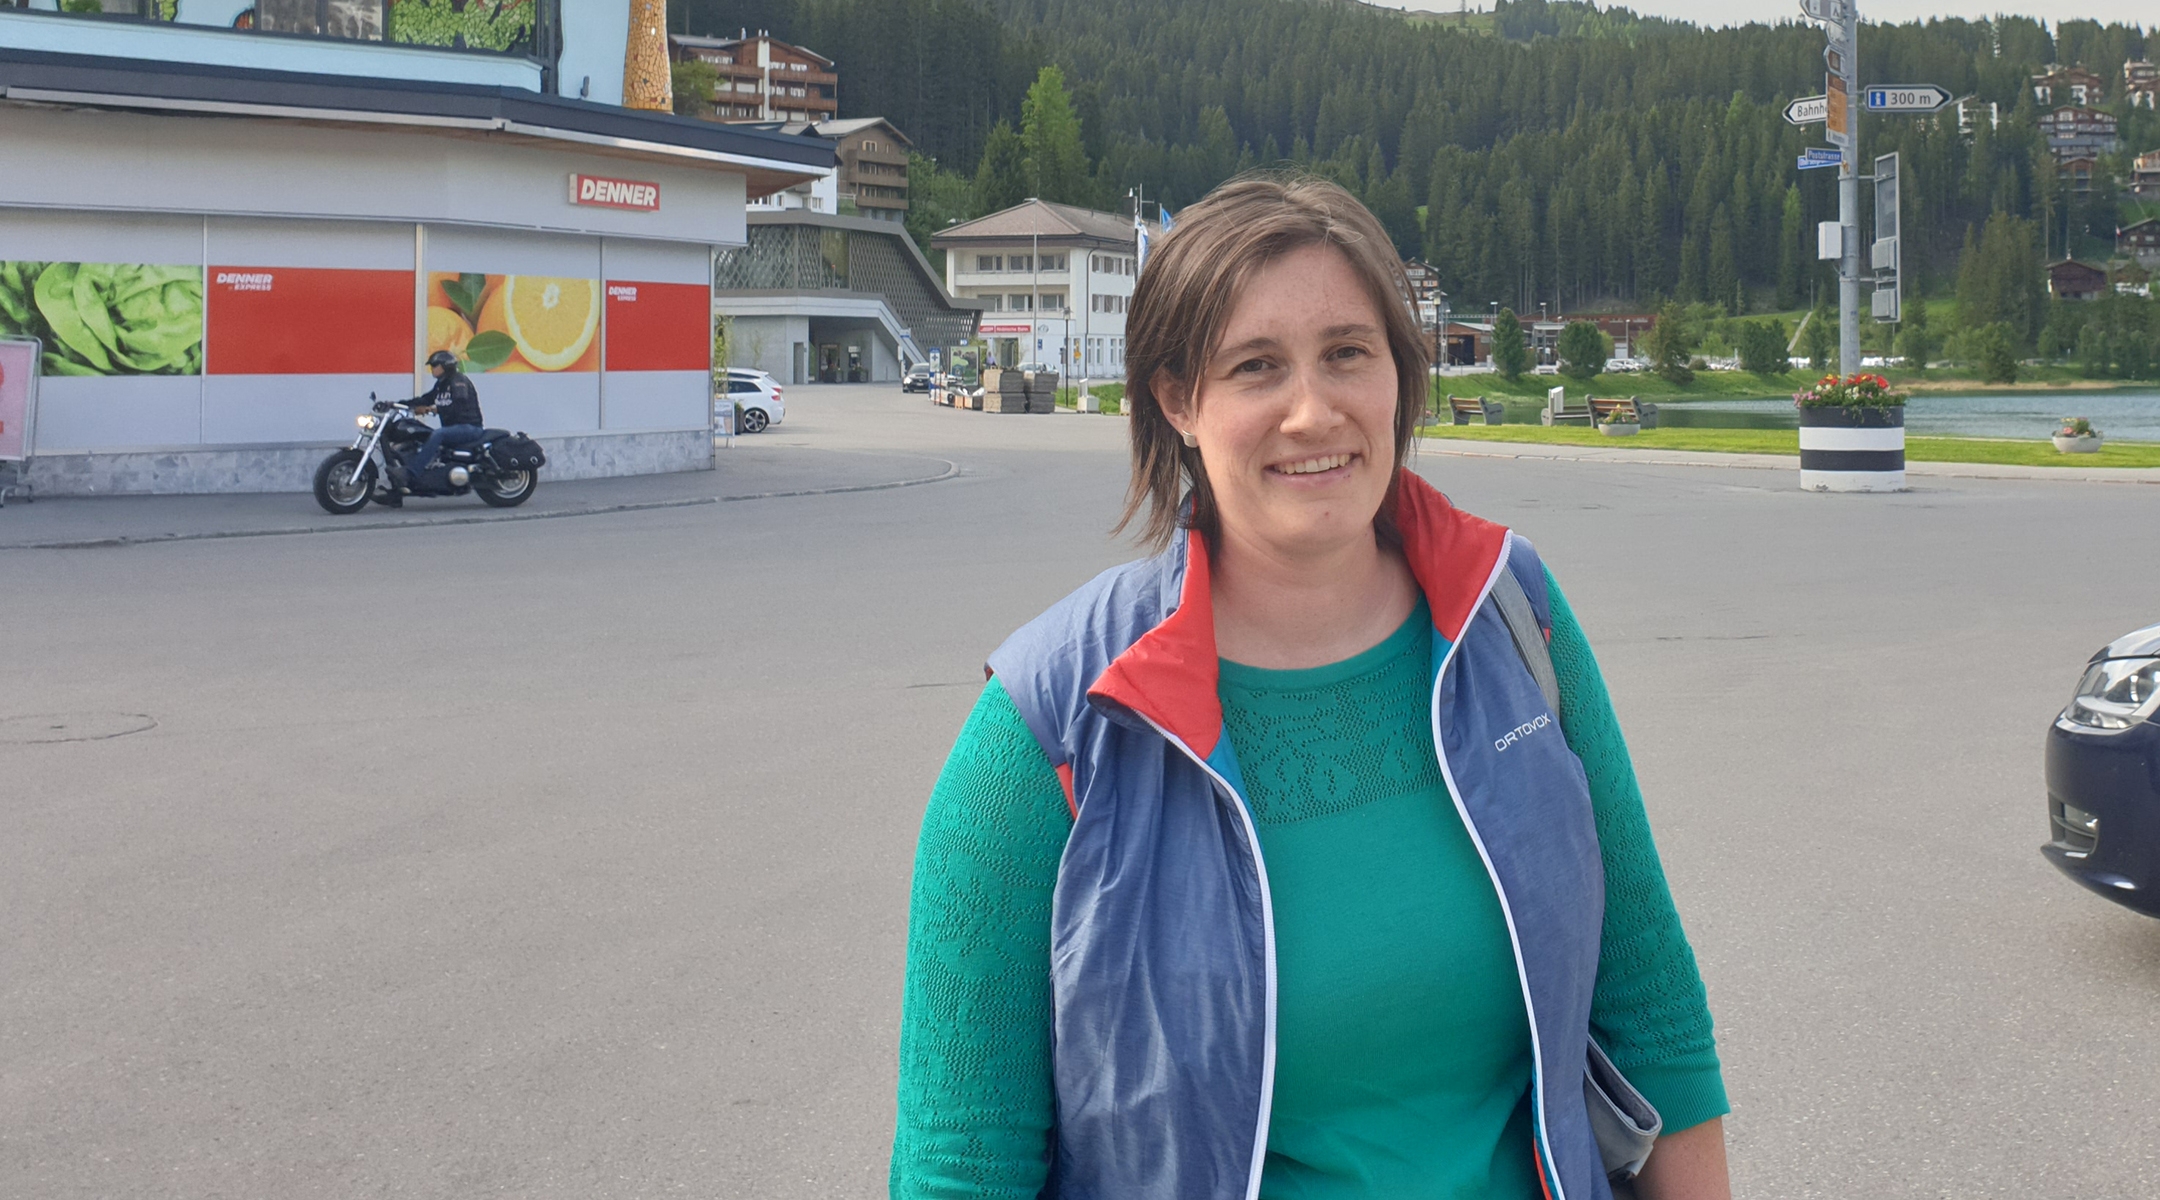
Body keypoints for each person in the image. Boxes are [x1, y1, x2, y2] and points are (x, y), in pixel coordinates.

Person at [890, 175, 1733, 1200]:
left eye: (1347, 352)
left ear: (1396, 374)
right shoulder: (1052, 724)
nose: (1312, 409)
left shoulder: (1511, 619)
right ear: (1176, 401)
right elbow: (962, 1163)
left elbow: (1650, 1010)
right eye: (1255, 367)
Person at [380, 349, 485, 506]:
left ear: (446, 366)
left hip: (469, 428)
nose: (432, 368)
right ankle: (398, 492)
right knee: (421, 435)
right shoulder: (440, 385)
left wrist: (433, 409)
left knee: (438, 434)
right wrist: (395, 404)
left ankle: (411, 473)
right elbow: (424, 399)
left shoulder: (458, 381)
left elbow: (459, 403)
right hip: (455, 430)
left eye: (435, 365)